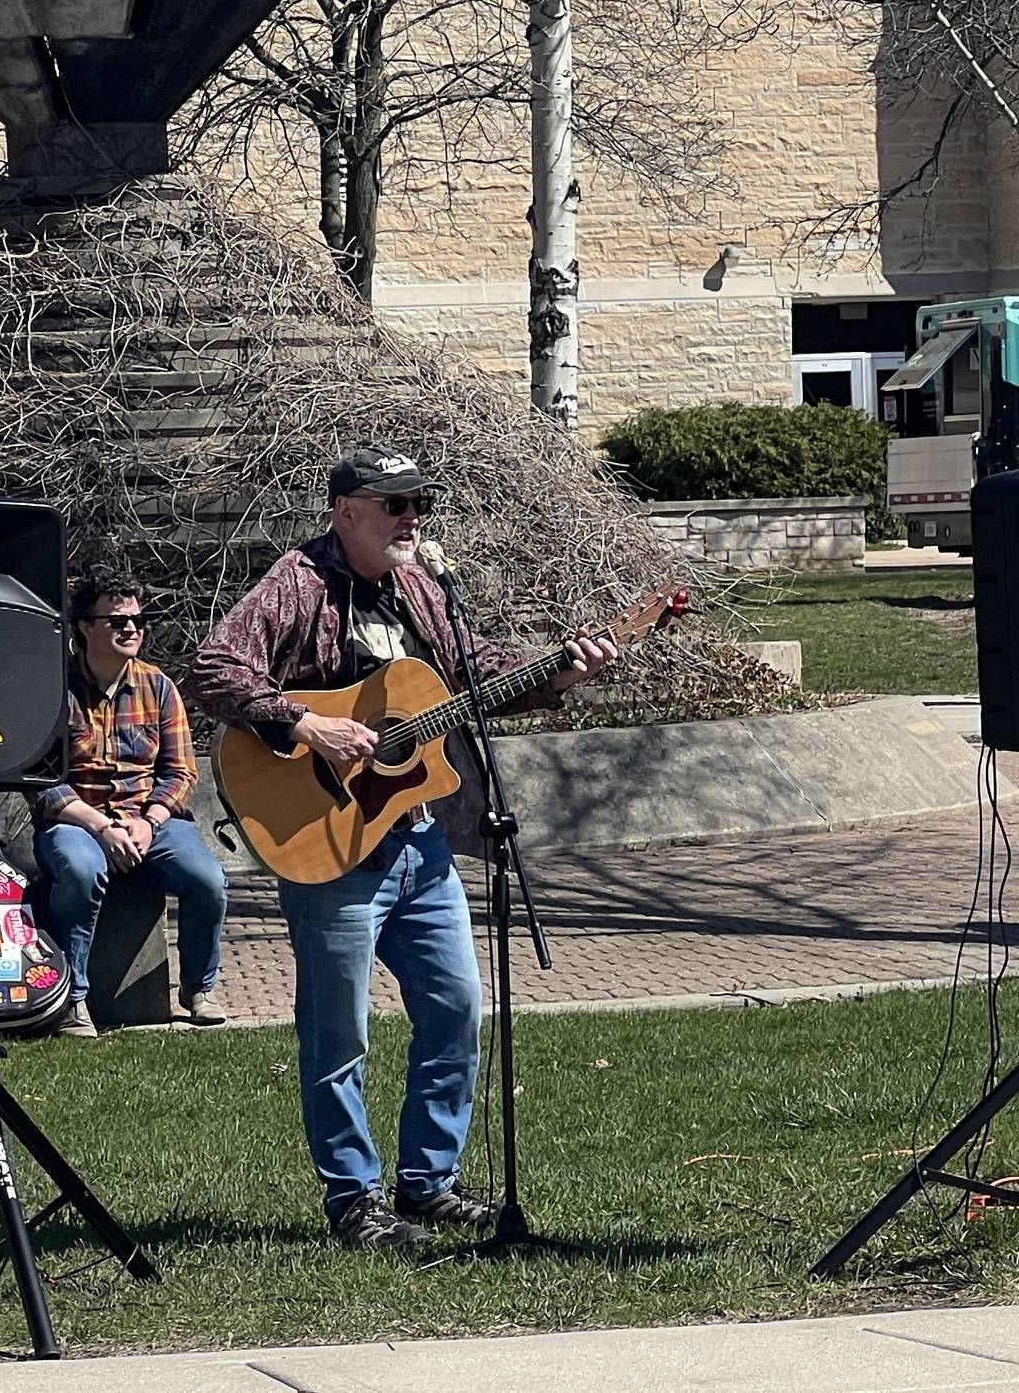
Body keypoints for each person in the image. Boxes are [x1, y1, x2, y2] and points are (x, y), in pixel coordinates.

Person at [187, 442, 616, 1250]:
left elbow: (480, 682)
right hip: (328, 845)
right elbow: (214, 668)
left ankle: (429, 1184)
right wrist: (306, 723)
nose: (410, 518)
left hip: (418, 845)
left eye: (417, 504)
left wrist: (563, 672)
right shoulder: (299, 582)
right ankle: (354, 1199)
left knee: (457, 1012)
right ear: (345, 511)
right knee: (339, 1032)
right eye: (392, 505)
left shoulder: (424, 588)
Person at [32, 571, 228, 1039]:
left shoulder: (158, 687)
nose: (132, 629)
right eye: (117, 620)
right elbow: (41, 783)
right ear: (83, 625)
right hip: (78, 821)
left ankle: (198, 989)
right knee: (79, 871)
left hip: (151, 820)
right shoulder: (49, 691)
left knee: (209, 881)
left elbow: (181, 773)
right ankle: (71, 1000)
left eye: (139, 620)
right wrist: (102, 827)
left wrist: (149, 820)